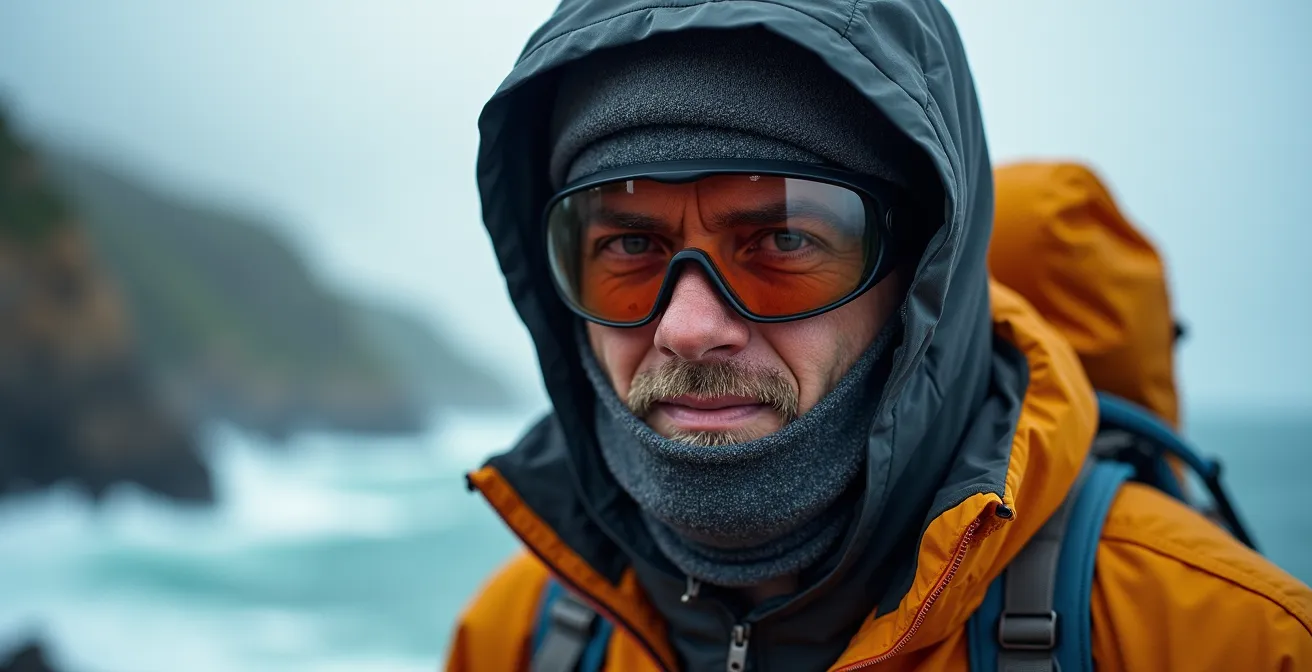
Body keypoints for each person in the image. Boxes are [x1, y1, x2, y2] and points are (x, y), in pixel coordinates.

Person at [447, 1, 1312, 670]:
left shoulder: (1228, 638)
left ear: (922, 277)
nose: (689, 329)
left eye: (783, 240)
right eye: (629, 246)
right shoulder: (521, 635)